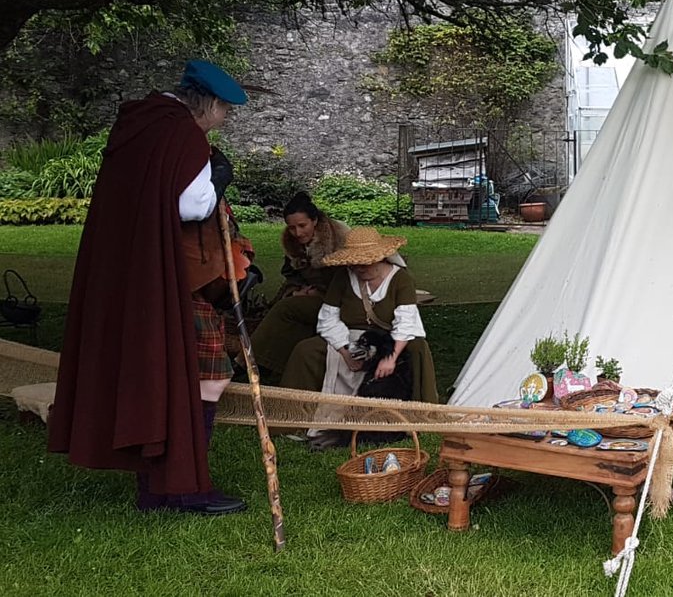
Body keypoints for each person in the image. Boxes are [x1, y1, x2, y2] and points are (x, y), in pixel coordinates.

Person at [48, 60, 252, 515]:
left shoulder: (139, 126)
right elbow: (192, 204)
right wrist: (218, 177)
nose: (224, 121)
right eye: (225, 111)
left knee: (162, 378)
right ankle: (182, 487)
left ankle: (159, 488)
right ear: (211, 104)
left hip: (134, 273)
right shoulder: (179, 133)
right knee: (209, 376)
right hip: (171, 278)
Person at [279, 227, 439, 449]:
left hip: (390, 339)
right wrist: (345, 352)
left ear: (380, 258)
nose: (359, 269)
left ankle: (420, 417)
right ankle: (291, 419)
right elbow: (328, 317)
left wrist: (390, 358)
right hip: (349, 335)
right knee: (306, 350)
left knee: (418, 348)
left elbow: (406, 323)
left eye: (365, 263)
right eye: (355, 264)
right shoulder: (344, 276)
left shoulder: (400, 279)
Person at [248, 193, 348, 375]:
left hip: (339, 300)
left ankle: (248, 360)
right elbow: (291, 274)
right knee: (286, 308)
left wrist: (321, 293)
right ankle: (271, 363)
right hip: (312, 294)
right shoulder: (292, 242)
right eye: (292, 228)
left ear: (315, 220)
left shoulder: (337, 238)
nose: (298, 233)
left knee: (285, 308)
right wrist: (299, 289)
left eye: (302, 226)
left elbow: (348, 278)